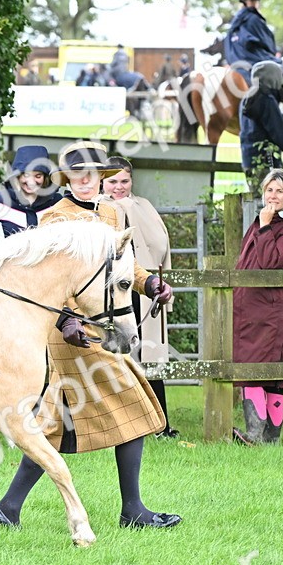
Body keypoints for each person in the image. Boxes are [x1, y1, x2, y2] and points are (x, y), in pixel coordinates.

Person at [0, 141, 180, 531]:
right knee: (134, 402)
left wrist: (150, 283)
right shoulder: (56, 218)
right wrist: (66, 321)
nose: (86, 180)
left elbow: (126, 266)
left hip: (98, 327)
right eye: (78, 174)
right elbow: (50, 281)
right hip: (72, 332)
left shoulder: (109, 213)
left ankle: (7, 508)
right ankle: (133, 511)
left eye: (93, 174)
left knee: (56, 421)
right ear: (68, 179)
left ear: (102, 177)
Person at [231, 169, 283, 445]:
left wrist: (264, 227)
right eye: (269, 190)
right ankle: (261, 437)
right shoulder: (265, 219)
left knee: (267, 372)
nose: (272, 196)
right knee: (255, 367)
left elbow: (270, 263)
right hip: (251, 308)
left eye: (279, 191)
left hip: (273, 310)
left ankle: (261, 437)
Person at [101, 157, 179, 438]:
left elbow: (160, 244)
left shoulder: (143, 205)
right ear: (102, 181)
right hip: (115, 293)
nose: (119, 187)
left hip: (145, 288)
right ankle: (121, 426)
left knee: (151, 356)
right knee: (120, 356)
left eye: (124, 181)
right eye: (112, 181)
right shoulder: (101, 208)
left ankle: (160, 424)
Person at [224, 0, 283, 121]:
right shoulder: (254, 19)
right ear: (245, 1)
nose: (256, 4)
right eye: (253, 1)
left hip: (237, 62)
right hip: (255, 59)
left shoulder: (235, 23)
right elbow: (268, 45)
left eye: (256, 1)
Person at [240, 61, 283, 198]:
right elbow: (279, 131)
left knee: (257, 200)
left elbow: (266, 122)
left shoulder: (248, 97)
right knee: (272, 203)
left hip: (248, 157)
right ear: (272, 78)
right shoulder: (266, 99)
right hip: (266, 159)